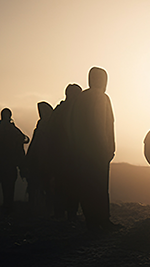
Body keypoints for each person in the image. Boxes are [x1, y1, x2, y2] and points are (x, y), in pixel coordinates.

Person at [70, 67, 118, 231]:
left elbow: (73, 124)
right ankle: (103, 219)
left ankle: (90, 219)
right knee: (100, 185)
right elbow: (100, 124)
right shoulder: (101, 97)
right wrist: (107, 148)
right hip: (98, 150)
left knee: (86, 184)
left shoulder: (81, 98)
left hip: (82, 150)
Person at [48, 84, 82, 220]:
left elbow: (50, 133)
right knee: (73, 186)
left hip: (58, 156)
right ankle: (71, 215)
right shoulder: (77, 111)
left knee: (60, 187)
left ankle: (59, 214)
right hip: (72, 156)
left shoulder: (58, 110)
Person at [0, 108, 28, 215]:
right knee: (8, 191)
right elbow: (21, 145)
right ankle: (7, 212)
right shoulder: (14, 131)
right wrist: (22, 166)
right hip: (9, 167)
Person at [23, 101, 54, 210]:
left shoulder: (44, 127)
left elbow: (34, 145)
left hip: (44, 162)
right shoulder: (50, 125)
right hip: (44, 161)